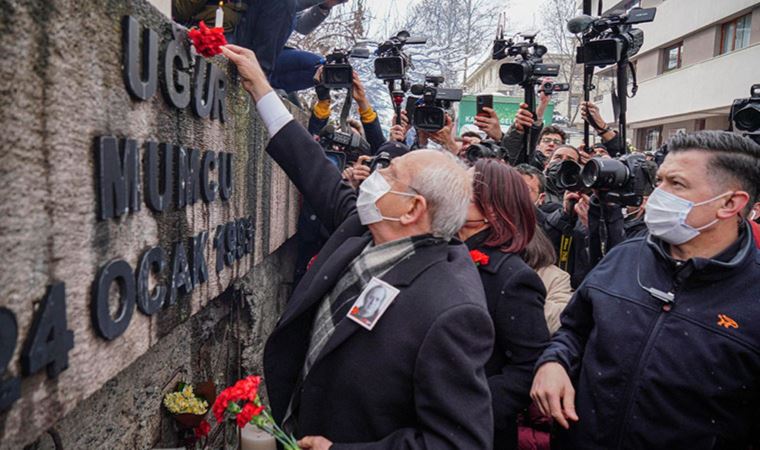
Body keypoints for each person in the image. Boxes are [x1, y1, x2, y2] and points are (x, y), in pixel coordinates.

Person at [221, 44, 495, 450]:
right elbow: (310, 165)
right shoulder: (365, 229)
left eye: (391, 173)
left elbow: (459, 443)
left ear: (412, 209)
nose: (376, 172)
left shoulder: (451, 309)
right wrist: (262, 89)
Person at [531, 130, 760, 449]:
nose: (657, 195)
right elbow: (574, 330)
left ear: (730, 203)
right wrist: (553, 363)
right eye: (660, 181)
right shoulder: (626, 255)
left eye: (676, 184)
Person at [458, 158, 550, 450]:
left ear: (493, 208)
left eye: (468, 188)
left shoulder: (513, 278)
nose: (456, 192)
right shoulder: (441, 250)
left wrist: (466, 409)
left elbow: (528, 366)